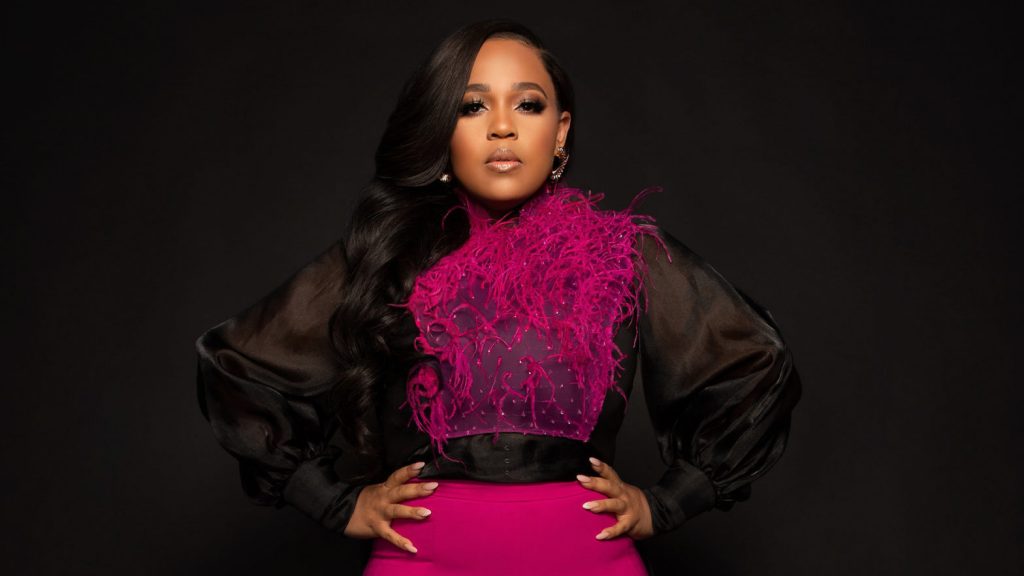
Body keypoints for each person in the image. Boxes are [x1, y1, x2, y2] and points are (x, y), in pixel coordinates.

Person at [195, 18, 802, 576]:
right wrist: (331, 502)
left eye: (528, 104)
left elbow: (754, 362)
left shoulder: (624, 253)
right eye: (472, 106)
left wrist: (670, 502)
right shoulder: (388, 256)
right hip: (421, 562)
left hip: (586, 561)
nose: (503, 126)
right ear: (442, 130)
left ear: (560, 130)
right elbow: (237, 363)